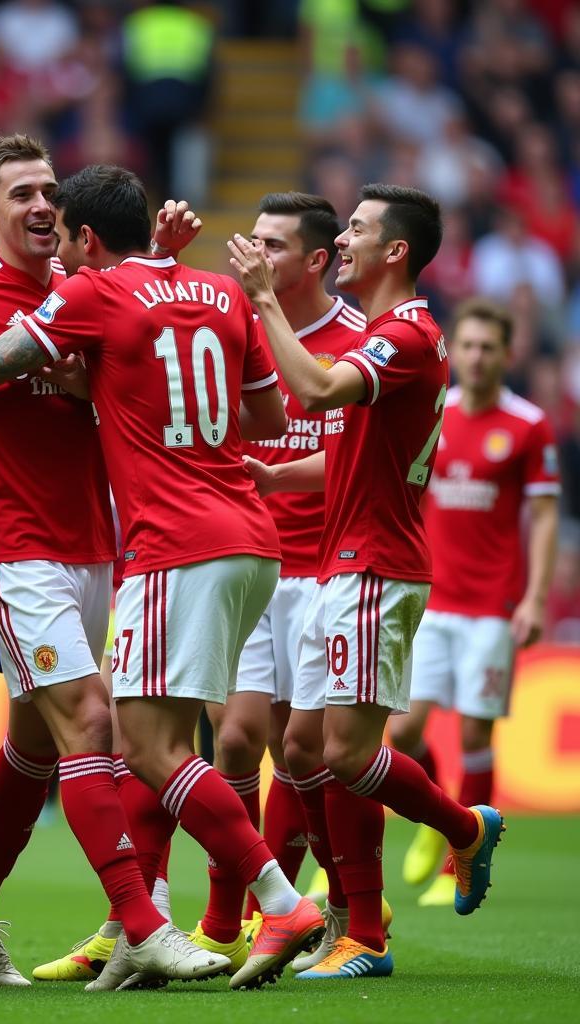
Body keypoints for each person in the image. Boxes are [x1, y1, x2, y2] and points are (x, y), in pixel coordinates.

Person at [0, 163, 328, 993]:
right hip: (18, 540)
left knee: (39, 743)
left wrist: (49, 354)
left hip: (106, 542)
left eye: (51, 198)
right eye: (23, 194)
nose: (40, 209)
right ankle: (144, 921)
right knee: (98, 723)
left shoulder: (85, 287)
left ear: (80, 232)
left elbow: (38, 361)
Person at [230, 183, 505, 981]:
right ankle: (352, 922)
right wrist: (272, 478)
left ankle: (454, 838)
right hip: (343, 565)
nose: (343, 240)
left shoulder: (404, 337)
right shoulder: (389, 336)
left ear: (396, 252)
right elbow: (347, 453)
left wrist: (261, 303)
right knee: (304, 745)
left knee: (347, 753)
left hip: (373, 566)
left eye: (357, 229)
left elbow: (314, 390)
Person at [198, 192, 368, 952]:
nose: (254, 255)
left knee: (303, 756)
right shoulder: (227, 329)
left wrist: (274, 477)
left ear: (317, 260)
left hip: (326, 572)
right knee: (234, 742)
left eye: (272, 245)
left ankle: (347, 907)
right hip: (247, 563)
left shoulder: (360, 340)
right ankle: (228, 919)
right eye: (254, 240)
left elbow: (368, 463)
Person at [389, 298, 558, 906]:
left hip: (492, 607)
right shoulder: (436, 414)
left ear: (506, 355)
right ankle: (442, 823)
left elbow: (542, 515)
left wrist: (534, 598)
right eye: (468, 345)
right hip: (430, 600)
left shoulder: (528, 425)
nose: (477, 357)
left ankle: (454, 868)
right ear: (452, 350)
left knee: (476, 730)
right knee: (401, 734)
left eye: (489, 347)